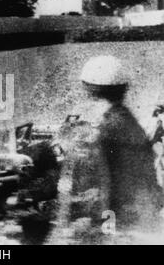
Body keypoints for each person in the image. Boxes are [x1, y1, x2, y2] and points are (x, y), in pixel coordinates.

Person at [47, 56, 164, 245]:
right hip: (141, 220)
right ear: (123, 89)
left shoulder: (105, 130)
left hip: (120, 226)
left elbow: (101, 189)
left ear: (87, 91)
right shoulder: (129, 122)